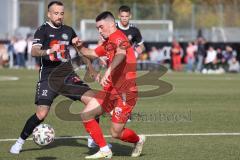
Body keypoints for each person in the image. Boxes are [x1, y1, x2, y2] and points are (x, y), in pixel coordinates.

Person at [10, 1, 99, 154]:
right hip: (48, 78)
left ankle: (93, 139)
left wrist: (90, 68)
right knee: (41, 114)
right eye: (56, 13)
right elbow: (34, 51)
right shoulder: (42, 31)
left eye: (61, 13)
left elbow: (79, 50)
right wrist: (49, 50)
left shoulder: (69, 30)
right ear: (49, 14)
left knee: (94, 101)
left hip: (68, 76)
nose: (59, 16)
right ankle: (19, 142)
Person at [72, 11, 146, 159]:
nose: (99, 30)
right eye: (97, 28)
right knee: (86, 114)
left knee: (116, 133)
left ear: (111, 24)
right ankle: (105, 150)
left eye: (101, 27)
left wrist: (108, 71)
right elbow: (91, 53)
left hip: (126, 92)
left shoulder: (119, 37)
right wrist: (78, 47)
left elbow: (121, 54)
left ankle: (138, 140)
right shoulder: (108, 42)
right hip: (111, 90)